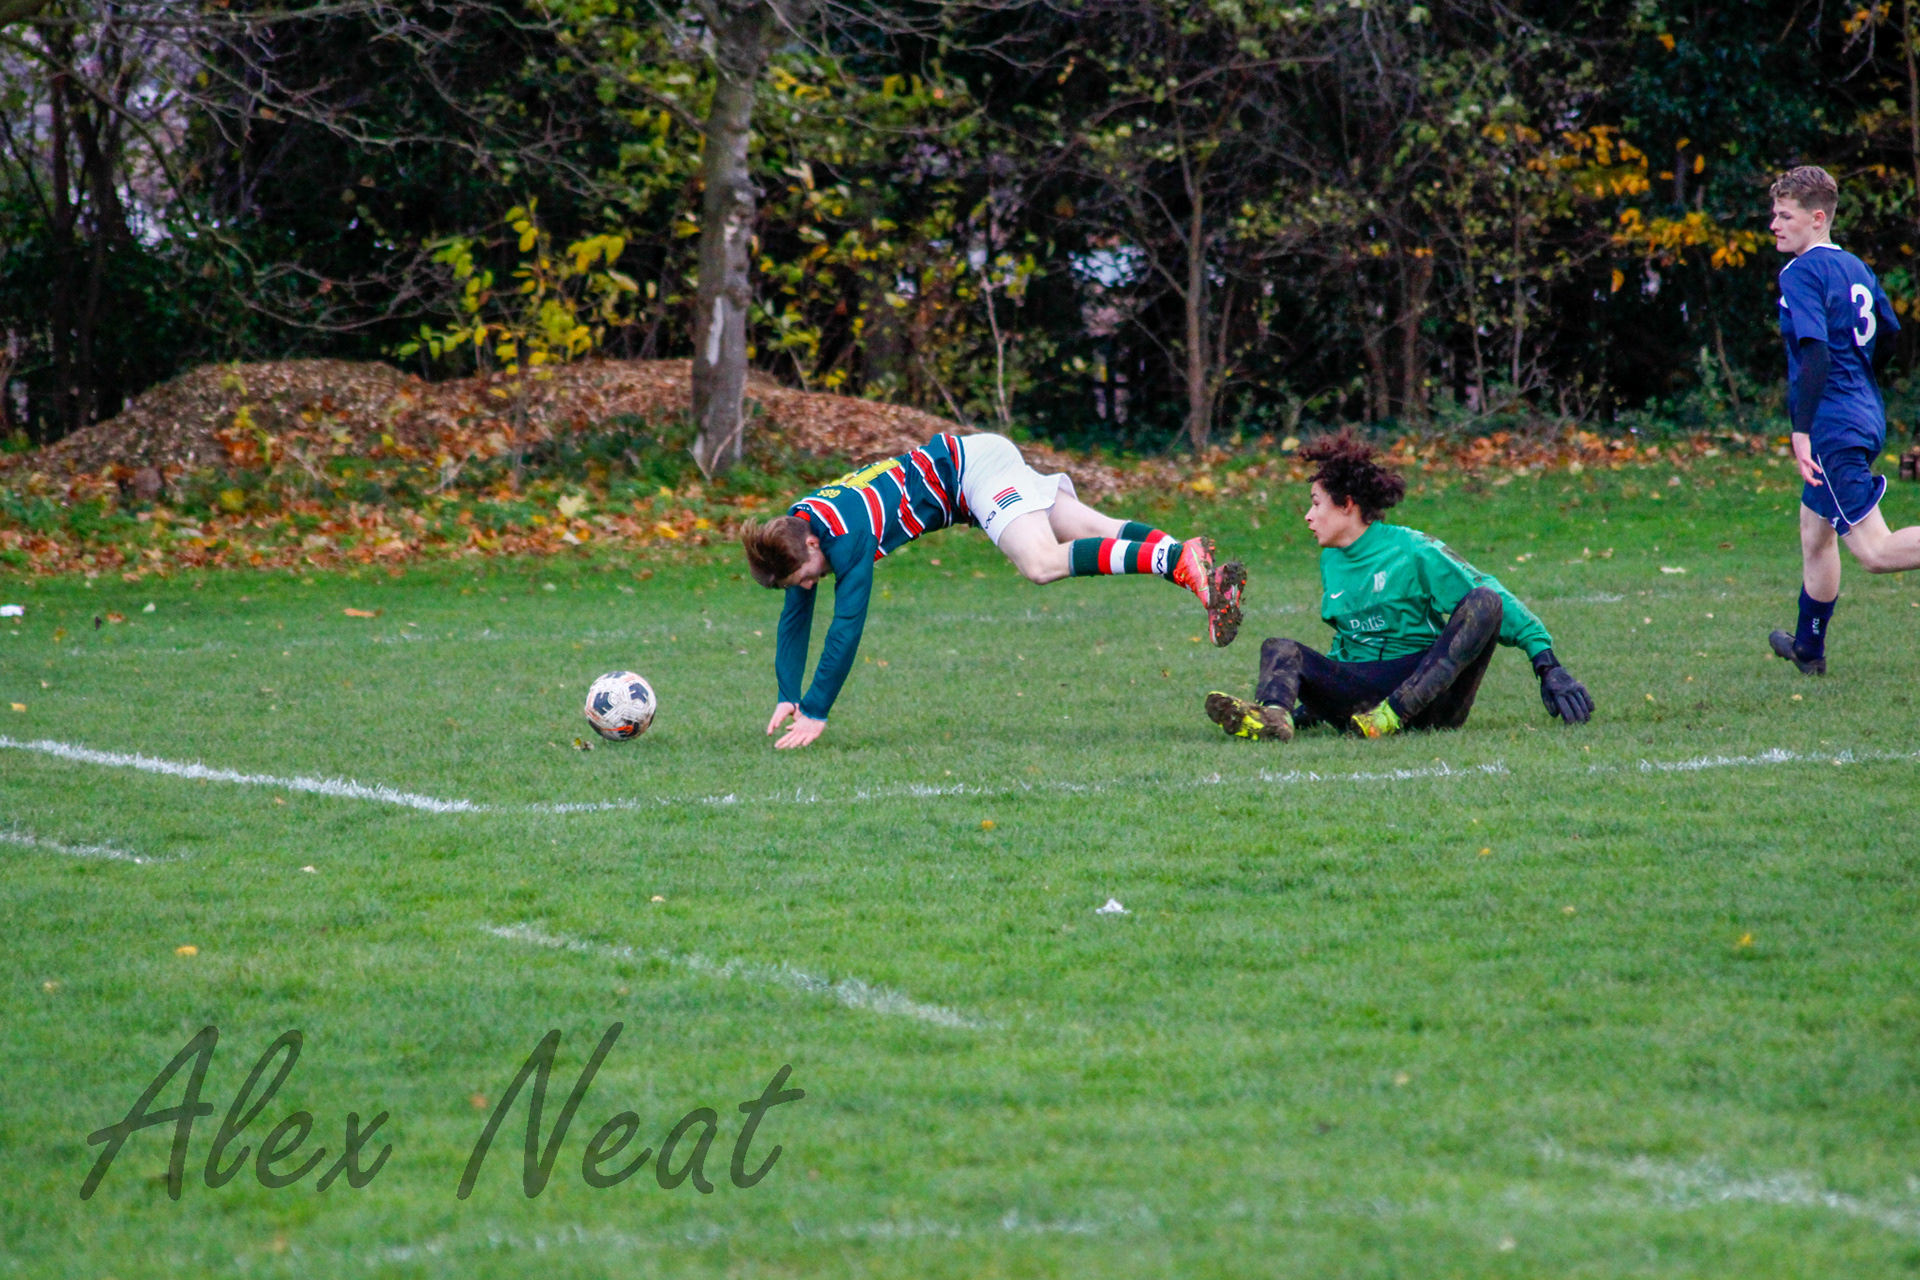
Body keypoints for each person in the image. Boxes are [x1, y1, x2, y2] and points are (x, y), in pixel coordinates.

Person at [743, 430, 1247, 748]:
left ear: (813, 543)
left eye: (807, 575)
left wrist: (816, 709)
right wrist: (789, 692)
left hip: (973, 473)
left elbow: (846, 627)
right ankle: (1208, 580)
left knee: (1040, 563)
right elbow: (796, 613)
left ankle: (1178, 560)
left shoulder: (845, 534)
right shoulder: (799, 530)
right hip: (975, 460)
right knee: (1095, 528)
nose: (810, 583)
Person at [1203, 432, 1592, 741]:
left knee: (1485, 601)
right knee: (1279, 648)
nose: (1308, 516)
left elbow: (1491, 595)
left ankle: (1391, 716)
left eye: (1316, 503)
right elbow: (1347, 643)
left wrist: (1547, 664)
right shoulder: (1331, 560)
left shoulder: (1412, 550)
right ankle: (1274, 719)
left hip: (1430, 698)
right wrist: (1316, 703)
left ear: (1347, 505)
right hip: (1361, 700)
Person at [1763, 165, 1917, 676]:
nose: (1774, 225)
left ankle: (1810, 648)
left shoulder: (1800, 272)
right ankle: (1808, 649)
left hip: (1832, 424)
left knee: (1875, 551)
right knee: (1816, 531)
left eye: (1785, 216)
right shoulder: (1855, 267)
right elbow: (1890, 334)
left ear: (1817, 218)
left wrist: (1802, 429)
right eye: (1774, 214)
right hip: (1864, 413)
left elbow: (1816, 351)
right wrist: (1860, 382)